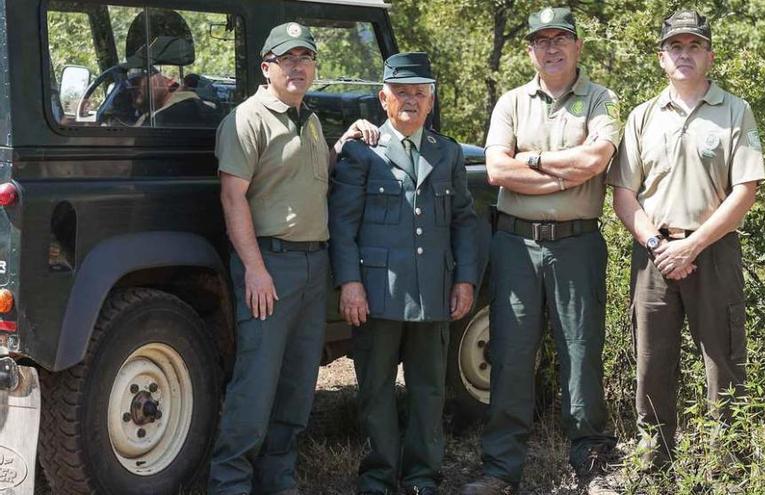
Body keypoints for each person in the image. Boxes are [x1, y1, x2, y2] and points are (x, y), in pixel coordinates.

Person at [208, 22, 377, 495]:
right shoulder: (247, 119)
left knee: (298, 387)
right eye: (288, 59)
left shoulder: (311, 119)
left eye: (305, 58)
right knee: (255, 387)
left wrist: (347, 142)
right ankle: (230, 484)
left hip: (312, 265)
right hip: (270, 266)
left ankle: (278, 482)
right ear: (268, 68)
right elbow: (232, 197)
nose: (298, 66)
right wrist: (256, 270)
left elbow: (316, 174)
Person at [462, 7, 621, 494]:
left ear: (577, 46)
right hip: (515, 245)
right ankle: (500, 469)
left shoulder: (601, 99)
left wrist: (528, 160)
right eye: (541, 41)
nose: (551, 49)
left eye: (560, 39)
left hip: (577, 244)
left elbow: (596, 160)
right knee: (509, 353)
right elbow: (496, 172)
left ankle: (591, 465)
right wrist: (559, 169)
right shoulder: (511, 103)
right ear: (529, 50)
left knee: (581, 352)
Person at [607, 10, 765, 469]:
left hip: (712, 252)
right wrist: (660, 246)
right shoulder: (642, 117)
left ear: (709, 56)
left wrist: (691, 247)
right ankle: (653, 462)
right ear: (662, 58)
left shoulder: (734, 111)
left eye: (694, 46)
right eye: (675, 47)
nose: (684, 54)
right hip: (654, 255)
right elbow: (623, 194)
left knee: (723, 361)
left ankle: (728, 467)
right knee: (652, 364)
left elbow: (745, 191)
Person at [329, 52, 479, 495]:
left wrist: (465, 279)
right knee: (375, 391)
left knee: (429, 392)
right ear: (383, 98)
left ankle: (421, 477)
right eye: (401, 92)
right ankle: (377, 476)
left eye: (419, 92)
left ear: (431, 101)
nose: (410, 100)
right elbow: (342, 223)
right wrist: (350, 283)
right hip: (376, 293)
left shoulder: (447, 152)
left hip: (433, 290)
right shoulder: (362, 151)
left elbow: (464, 221)